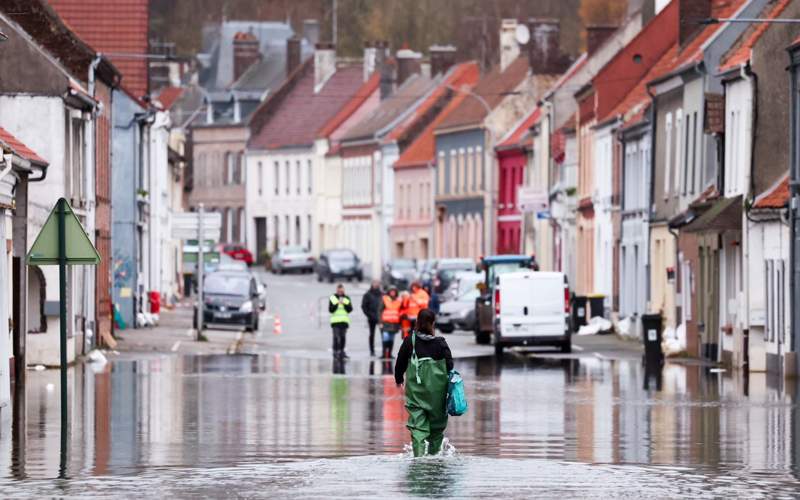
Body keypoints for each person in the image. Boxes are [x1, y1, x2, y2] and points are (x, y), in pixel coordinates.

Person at [394, 308, 453, 457]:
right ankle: (434, 458)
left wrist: (399, 379)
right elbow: (450, 366)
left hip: (416, 393)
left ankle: (418, 458)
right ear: (433, 323)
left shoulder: (410, 341)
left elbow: (400, 362)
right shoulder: (440, 343)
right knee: (436, 428)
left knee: (418, 426)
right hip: (437, 395)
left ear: (417, 322)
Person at [328, 284, 353, 358]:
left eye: (341, 291)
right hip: (335, 321)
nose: (340, 293)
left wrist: (344, 303)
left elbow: (350, 309)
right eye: (339, 291)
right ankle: (335, 351)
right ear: (336, 291)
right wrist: (337, 303)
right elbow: (331, 310)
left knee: (343, 337)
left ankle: (342, 352)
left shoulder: (346, 298)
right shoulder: (333, 297)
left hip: (344, 321)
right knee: (336, 337)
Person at [378, 286, 402, 359]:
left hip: (394, 323)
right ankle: (384, 354)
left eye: (394, 292)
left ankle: (389, 354)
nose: (392, 293)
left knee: (391, 339)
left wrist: (400, 323)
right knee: (385, 338)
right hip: (386, 322)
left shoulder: (399, 300)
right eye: (391, 291)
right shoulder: (385, 299)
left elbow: (401, 311)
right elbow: (380, 311)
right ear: (389, 292)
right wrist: (380, 322)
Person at [360, 280, 383, 357]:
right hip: (371, 317)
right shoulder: (367, 294)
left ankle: (384, 351)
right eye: (374, 283)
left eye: (377, 283)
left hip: (381, 318)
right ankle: (372, 351)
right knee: (372, 334)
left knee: (383, 335)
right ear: (372, 284)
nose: (376, 285)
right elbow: (364, 306)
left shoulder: (382, 294)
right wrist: (369, 315)